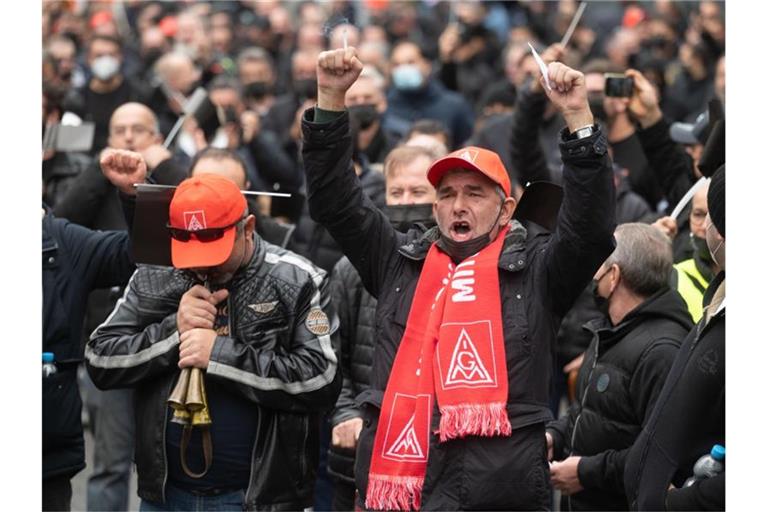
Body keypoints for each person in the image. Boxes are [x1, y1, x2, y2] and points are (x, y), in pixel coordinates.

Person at [302, 47, 616, 510]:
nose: (458, 205)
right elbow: (335, 202)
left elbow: (589, 227)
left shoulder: (538, 269)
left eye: (474, 193)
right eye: (447, 195)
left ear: (506, 209)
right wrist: (329, 99)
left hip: (498, 491)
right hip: (403, 481)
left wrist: (577, 118)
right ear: (434, 208)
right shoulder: (397, 260)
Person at [86, 151, 341, 510]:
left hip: (257, 499)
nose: (203, 261)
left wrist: (218, 355)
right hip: (164, 496)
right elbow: (100, 357)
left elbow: (322, 379)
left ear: (247, 228)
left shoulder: (296, 278)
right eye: (190, 247)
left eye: (214, 247)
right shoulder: (157, 272)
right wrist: (174, 333)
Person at [546, 223, 693, 511]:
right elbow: (588, 411)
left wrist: (586, 473)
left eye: (601, 264)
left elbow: (659, 455)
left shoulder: (662, 351)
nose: (593, 274)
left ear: (613, 276)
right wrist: (555, 435)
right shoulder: (611, 331)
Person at [328, 145, 441, 511]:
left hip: (435, 451)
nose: (406, 202)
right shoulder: (351, 269)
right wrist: (347, 415)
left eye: (418, 192)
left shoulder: (463, 267)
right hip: (366, 444)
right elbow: (331, 356)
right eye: (397, 193)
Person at [624, 165, 725, 511]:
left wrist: (682, 502)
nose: (702, 226)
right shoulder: (719, 299)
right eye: (698, 214)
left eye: (709, 215)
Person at [43, 207, 134, 511]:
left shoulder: (62, 240)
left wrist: (136, 197)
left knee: (112, 465)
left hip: (47, 459)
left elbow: (139, 253)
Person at [63, 35, 151, 154]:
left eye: (111, 55)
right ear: (88, 59)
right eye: (99, 56)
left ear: (120, 58)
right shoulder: (76, 99)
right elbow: (70, 150)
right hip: (90, 165)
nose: (106, 60)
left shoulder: (138, 94)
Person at [385, 41, 476, 146]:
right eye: (397, 65)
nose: (403, 69)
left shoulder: (454, 104)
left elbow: (467, 145)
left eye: (411, 62)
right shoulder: (386, 107)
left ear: (427, 65)